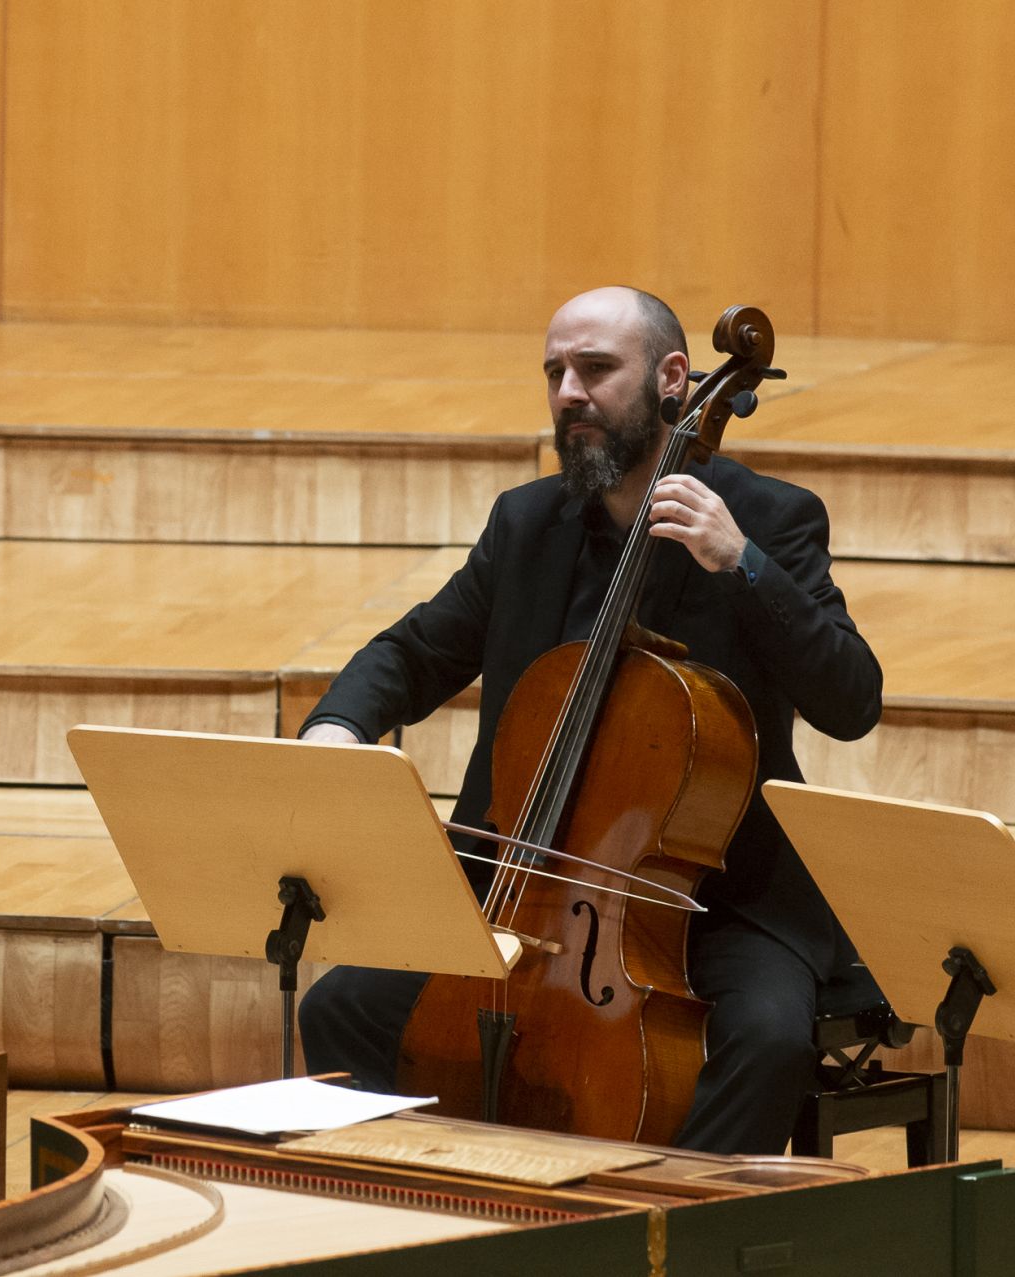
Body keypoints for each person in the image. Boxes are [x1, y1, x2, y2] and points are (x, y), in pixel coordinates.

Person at [296, 286, 883, 1155]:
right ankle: (440, 1212)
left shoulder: (768, 519)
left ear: (674, 379)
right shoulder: (527, 523)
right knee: (341, 1006)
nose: (569, 391)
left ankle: (668, 1228)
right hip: (524, 880)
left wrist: (741, 563)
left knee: (764, 1040)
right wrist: (338, 727)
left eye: (596, 369)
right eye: (554, 372)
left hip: (719, 895)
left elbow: (852, 698)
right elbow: (418, 650)